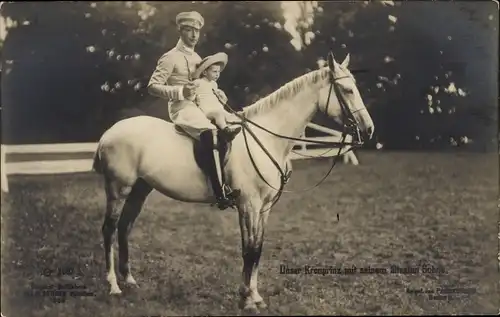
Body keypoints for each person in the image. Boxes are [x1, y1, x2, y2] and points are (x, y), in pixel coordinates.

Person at [147, 11, 240, 210]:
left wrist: (218, 96)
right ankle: (219, 192)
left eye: (197, 30)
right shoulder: (170, 57)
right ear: (180, 31)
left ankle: (232, 180)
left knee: (231, 126)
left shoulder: (198, 57)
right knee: (211, 132)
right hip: (182, 108)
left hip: (201, 107)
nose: (194, 35)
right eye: (189, 30)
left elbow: (205, 87)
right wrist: (180, 91)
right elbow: (153, 86)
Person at [191, 52, 242, 142]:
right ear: (205, 72)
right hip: (206, 110)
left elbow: (219, 100)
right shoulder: (198, 83)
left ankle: (236, 126)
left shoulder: (214, 84)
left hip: (216, 107)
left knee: (228, 115)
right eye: (214, 72)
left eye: (218, 72)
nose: (217, 74)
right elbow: (192, 95)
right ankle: (226, 130)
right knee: (218, 114)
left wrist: (221, 97)